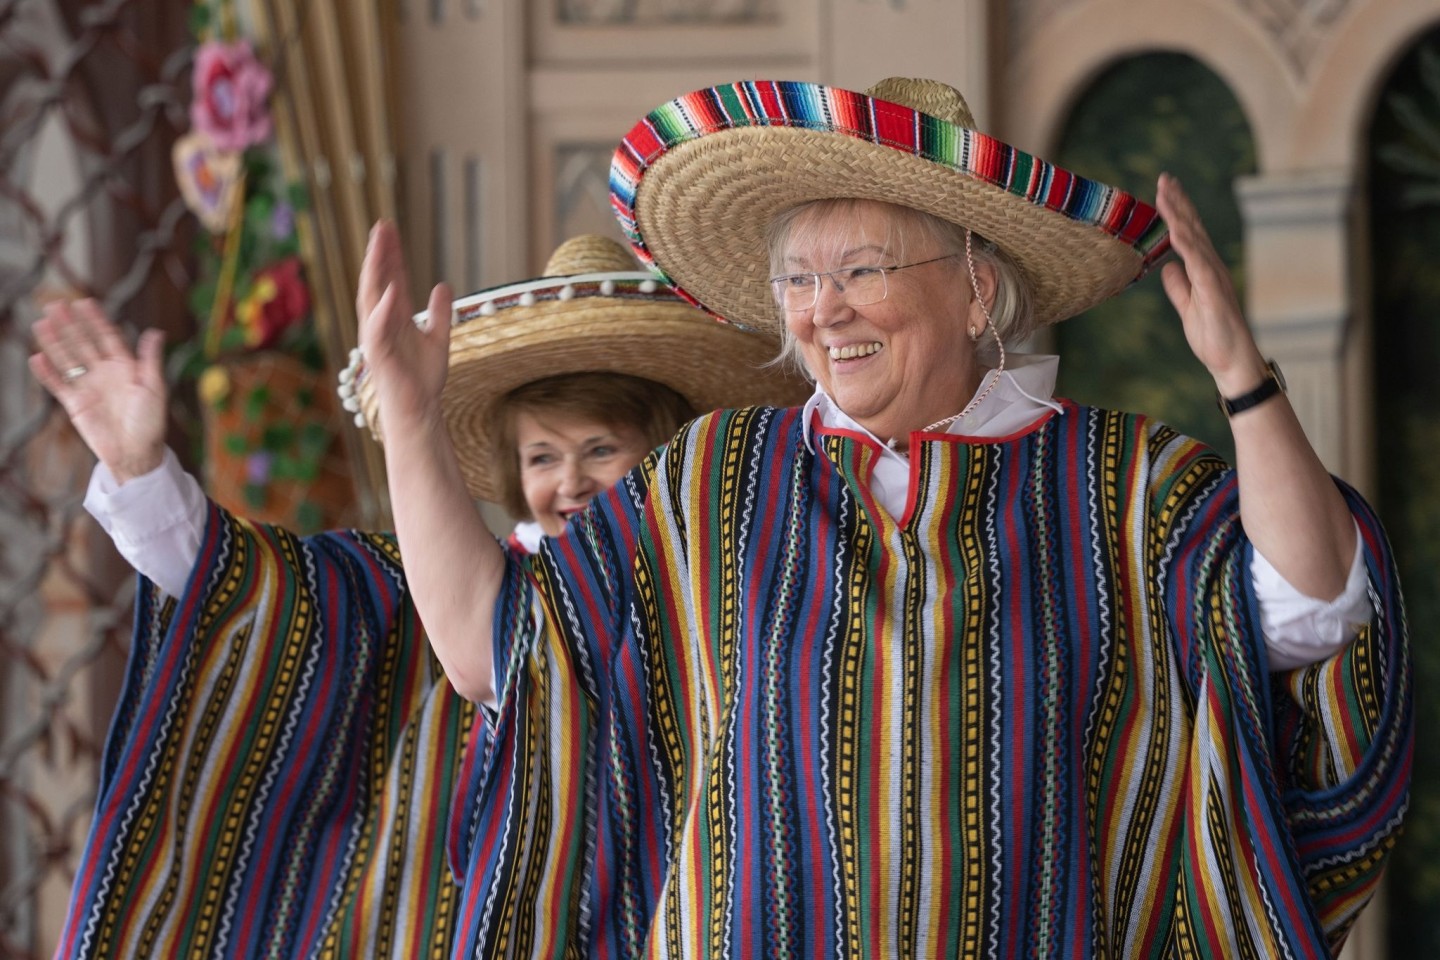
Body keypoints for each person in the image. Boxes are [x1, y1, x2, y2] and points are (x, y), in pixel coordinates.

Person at [357, 78, 1410, 957]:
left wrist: (1242, 382)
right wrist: (408, 420)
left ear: (975, 294)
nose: (826, 309)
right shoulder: (714, 479)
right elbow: (495, 654)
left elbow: (1315, 608)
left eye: (864, 271)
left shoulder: (1119, 484)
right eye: (800, 280)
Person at [33, 234, 808, 958]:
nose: (569, 481)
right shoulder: (414, 596)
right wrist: (140, 468)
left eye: (600, 448)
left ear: (666, 456)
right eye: (542, 455)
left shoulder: (724, 605)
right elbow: (247, 590)